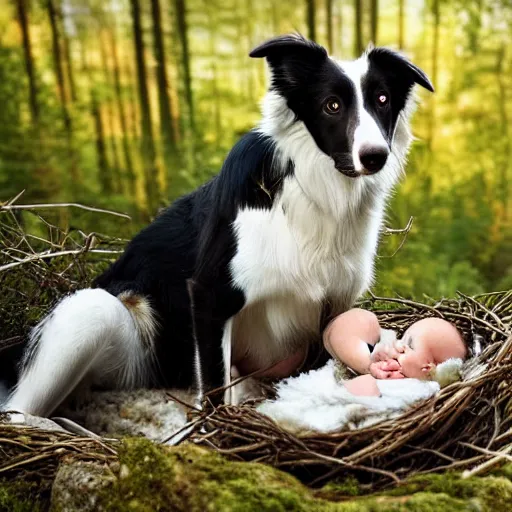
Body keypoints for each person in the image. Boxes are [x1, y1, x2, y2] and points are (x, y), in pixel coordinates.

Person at [323, 309, 467, 396]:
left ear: (428, 369)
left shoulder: (421, 392)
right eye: (402, 339)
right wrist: (368, 364)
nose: (398, 344)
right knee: (367, 320)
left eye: (408, 346)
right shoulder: (382, 352)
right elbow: (334, 331)